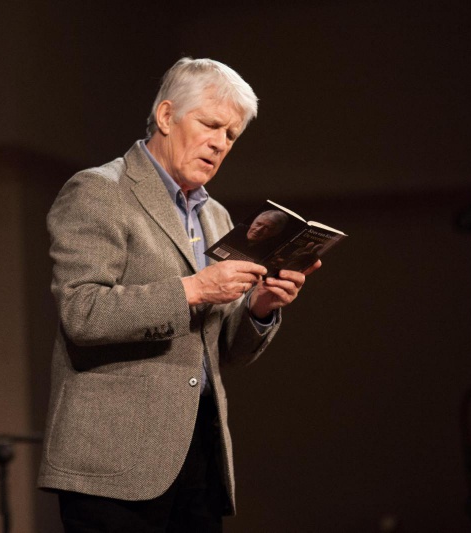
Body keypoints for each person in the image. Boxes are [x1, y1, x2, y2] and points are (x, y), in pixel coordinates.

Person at [37, 57, 321, 532]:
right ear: (166, 116)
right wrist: (192, 289)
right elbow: (82, 313)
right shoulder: (98, 192)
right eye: (210, 124)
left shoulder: (215, 216)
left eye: (231, 136)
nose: (219, 143)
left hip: (198, 456)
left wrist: (260, 308)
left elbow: (219, 348)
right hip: (114, 463)